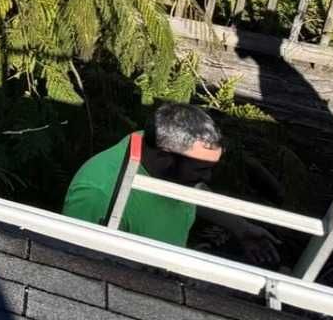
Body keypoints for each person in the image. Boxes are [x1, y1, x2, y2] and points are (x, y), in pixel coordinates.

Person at [64, 103, 277, 262]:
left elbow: (194, 192)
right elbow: (79, 265)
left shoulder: (154, 149)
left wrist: (239, 227)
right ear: (164, 156)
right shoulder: (99, 194)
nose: (208, 178)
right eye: (201, 169)